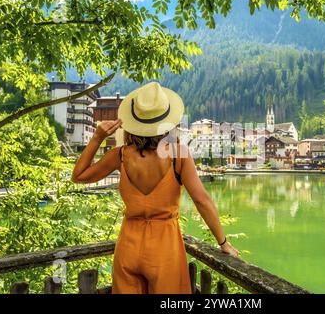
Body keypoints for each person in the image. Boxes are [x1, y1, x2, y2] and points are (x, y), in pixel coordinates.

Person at [71, 82, 239, 294]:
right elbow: (202, 201)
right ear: (167, 122)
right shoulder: (179, 155)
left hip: (128, 247)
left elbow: (78, 176)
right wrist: (223, 243)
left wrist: (97, 138)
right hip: (164, 249)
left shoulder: (120, 156)